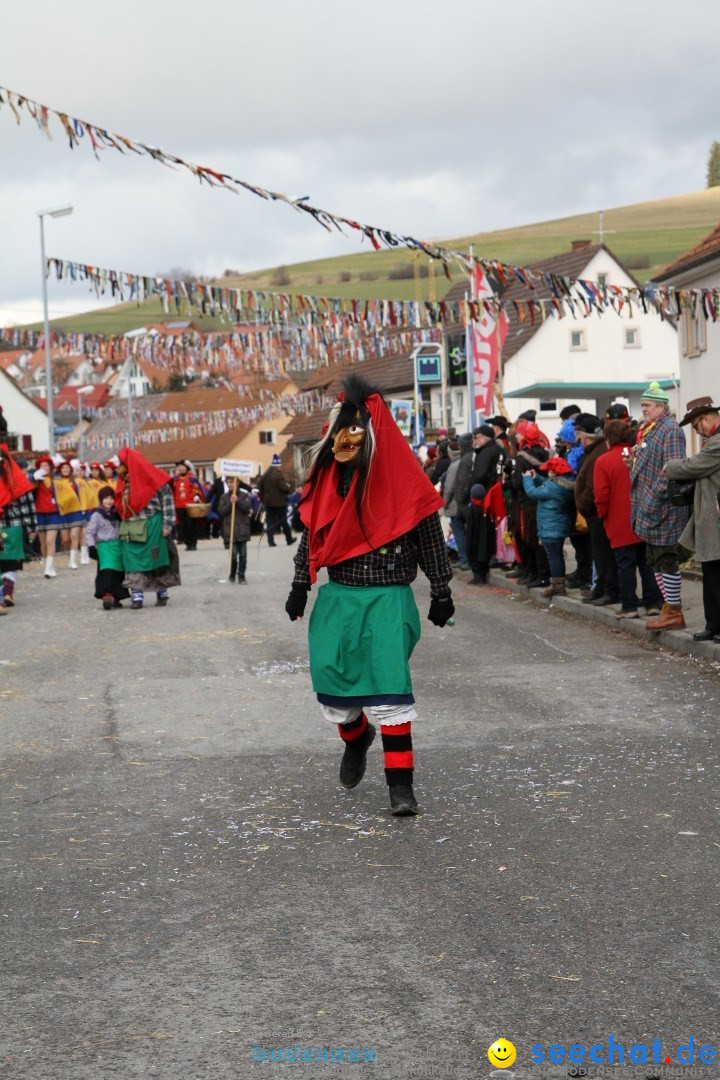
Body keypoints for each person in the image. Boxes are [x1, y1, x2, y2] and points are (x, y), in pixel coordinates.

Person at [284, 373, 453, 817]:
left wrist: (441, 590)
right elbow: (312, 537)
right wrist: (300, 585)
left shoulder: (405, 484)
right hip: (339, 597)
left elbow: (431, 539)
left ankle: (401, 789)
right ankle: (357, 738)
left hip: (388, 599)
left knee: (390, 693)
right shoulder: (332, 482)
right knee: (336, 691)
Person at [630, 382, 689, 630]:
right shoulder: (653, 428)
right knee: (655, 560)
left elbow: (672, 470)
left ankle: (674, 611)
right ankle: (668, 606)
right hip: (649, 507)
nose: (643, 409)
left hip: (663, 507)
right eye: (642, 404)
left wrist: (651, 499)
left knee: (666, 559)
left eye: (647, 405)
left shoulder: (670, 430)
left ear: (661, 406)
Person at [593, 420, 663, 619]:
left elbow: (601, 493)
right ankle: (653, 603)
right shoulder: (639, 454)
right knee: (647, 563)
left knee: (625, 565)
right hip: (644, 515)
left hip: (619, 519)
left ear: (608, 439)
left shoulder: (603, 461)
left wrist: (602, 514)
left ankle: (629, 605)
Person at [664, 397, 720, 641]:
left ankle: (717, 625)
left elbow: (694, 466)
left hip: (715, 516)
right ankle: (714, 625)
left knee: (716, 573)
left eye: (696, 425)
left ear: (707, 417)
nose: (696, 431)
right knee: (711, 572)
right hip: (711, 515)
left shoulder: (717, 443)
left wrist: (670, 466)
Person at [114, 447, 180, 610]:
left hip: (153, 526)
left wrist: (168, 524)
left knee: (157, 559)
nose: (118, 466)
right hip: (130, 528)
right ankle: (137, 596)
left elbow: (168, 501)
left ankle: (162, 592)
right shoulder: (124, 481)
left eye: (122, 463)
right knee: (132, 561)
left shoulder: (156, 479)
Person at [574, 414, 619, 607]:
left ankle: (610, 590)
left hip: (597, 513)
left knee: (604, 555)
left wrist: (584, 505)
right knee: (599, 555)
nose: (577, 438)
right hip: (594, 512)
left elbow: (594, 487)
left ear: (585, 435)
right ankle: (601, 587)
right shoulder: (592, 451)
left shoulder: (596, 453)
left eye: (578, 433)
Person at [522, 456, 575, 597]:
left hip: (550, 527)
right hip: (558, 526)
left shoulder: (552, 487)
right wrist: (537, 477)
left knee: (554, 557)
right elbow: (547, 484)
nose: (548, 473)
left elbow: (533, 492)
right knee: (556, 556)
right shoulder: (563, 484)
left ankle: (557, 587)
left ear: (555, 472)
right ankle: (558, 584)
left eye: (549, 471)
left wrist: (527, 478)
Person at [511, 422, 551, 587]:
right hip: (543, 500)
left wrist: (514, 478)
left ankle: (536, 573)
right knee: (540, 540)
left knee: (530, 539)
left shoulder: (522, 457)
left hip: (528, 504)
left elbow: (518, 483)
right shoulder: (546, 454)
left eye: (519, 433)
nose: (517, 436)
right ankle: (543, 573)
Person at [0, 443, 37, 613]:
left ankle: (5, 594)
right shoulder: (16, 478)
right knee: (10, 561)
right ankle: (7, 593)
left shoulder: (14, 478)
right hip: (13, 525)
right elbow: (27, 505)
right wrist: (31, 527)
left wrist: (31, 527)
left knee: (7, 561)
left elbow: (27, 504)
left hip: (11, 525)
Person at [85, 485, 131, 610]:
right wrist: (91, 547)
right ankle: (107, 596)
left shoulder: (117, 513)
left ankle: (115, 597)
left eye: (111, 498)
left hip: (118, 545)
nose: (109, 501)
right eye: (105, 498)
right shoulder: (97, 515)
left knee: (118, 572)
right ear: (101, 499)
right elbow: (89, 532)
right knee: (107, 571)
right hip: (104, 546)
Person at [446, 433, 473, 570]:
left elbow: (450, 487)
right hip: (463, 502)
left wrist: (444, 503)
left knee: (459, 532)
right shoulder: (468, 459)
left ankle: (464, 559)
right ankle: (465, 557)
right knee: (464, 532)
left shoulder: (455, 465)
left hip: (456, 503)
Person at [259, 454, 296, 547]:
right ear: (277, 466)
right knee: (284, 521)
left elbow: (260, 489)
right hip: (280, 503)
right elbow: (284, 488)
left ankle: (271, 542)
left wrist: (263, 500)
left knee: (270, 522)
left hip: (268, 503)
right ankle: (289, 539)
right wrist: (291, 485)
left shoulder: (264, 476)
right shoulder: (278, 476)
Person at [218, 481, 252, 583]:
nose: (230, 484)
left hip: (242, 530)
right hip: (230, 530)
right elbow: (222, 511)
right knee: (233, 556)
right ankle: (232, 573)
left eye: (232, 482)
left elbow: (247, 509)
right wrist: (230, 503)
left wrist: (238, 501)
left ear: (237, 483)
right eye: (228, 483)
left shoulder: (244, 495)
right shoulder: (224, 497)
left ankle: (241, 576)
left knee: (243, 555)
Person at [171, 460, 204, 551]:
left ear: (186, 468)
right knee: (182, 526)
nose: (179, 468)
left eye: (181, 466)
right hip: (179, 505)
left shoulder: (192, 478)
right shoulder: (174, 479)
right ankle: (187, 543)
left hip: (190, 506)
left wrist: (197, 496)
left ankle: (193, 543)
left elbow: (197, 489)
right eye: (178, 467)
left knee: (191, 525)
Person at [471, 424, 502, 490]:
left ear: (484, 437)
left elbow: (480, 475)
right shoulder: (498, 448)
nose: (476, 440)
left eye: (477, 437)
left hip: (486, 489)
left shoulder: (486, 452)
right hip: (495, 487)